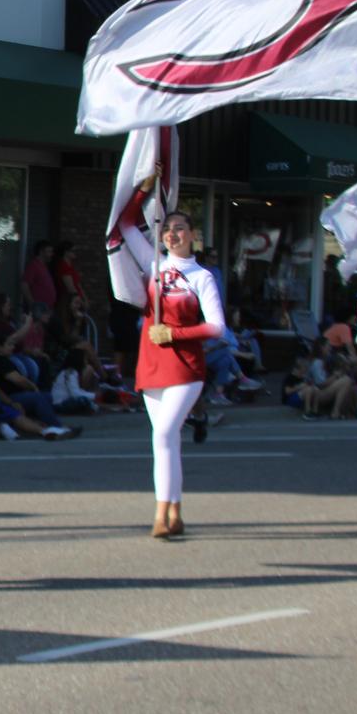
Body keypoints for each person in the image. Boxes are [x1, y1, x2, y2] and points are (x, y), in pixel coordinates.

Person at [113, 169, 226, 540]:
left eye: (180, 228)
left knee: (163, 434)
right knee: (166, 441)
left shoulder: (201, 277)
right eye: (167, 229)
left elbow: (217, 328)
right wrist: (144, 189)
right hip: (151, 364)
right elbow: (125, 225)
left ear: (192, 236)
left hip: (185, 367)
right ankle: (175, 513)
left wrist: (174, 333)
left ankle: (160, 515)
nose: (172, 234)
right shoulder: (153, 264)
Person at [23, 239, 58, 312]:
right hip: (39, 310)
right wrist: (32, 303)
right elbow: (24, 285)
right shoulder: (33, 266)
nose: (52, 254)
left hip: (47, 309)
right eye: (49, 252)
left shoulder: (43, 266)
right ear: (41, 252)